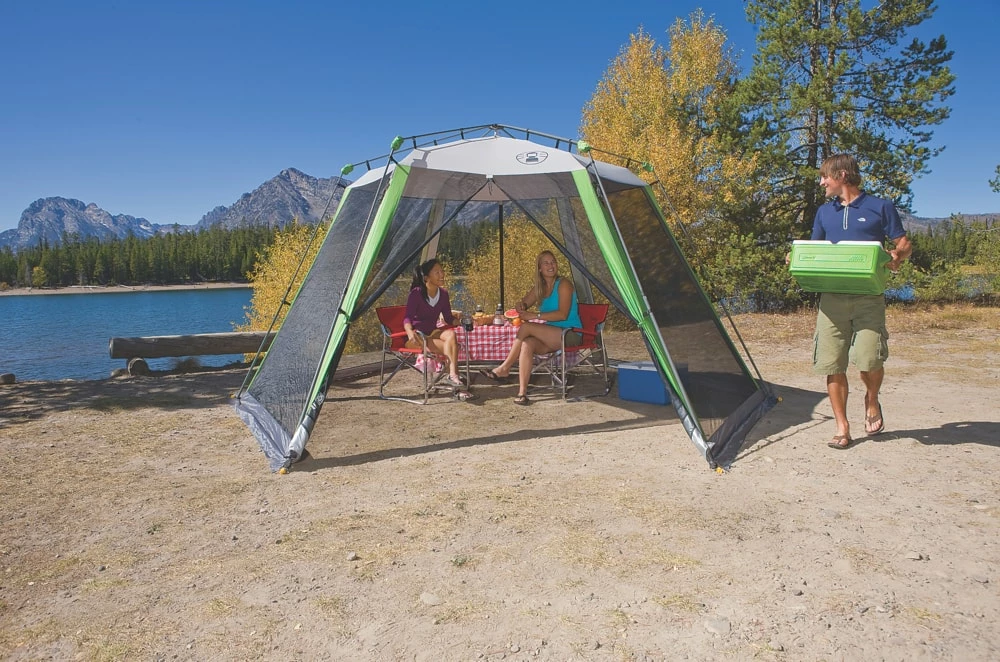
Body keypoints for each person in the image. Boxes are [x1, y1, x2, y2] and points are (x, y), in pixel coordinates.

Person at [810, 154, 912, 449]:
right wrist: (797, 259)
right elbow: (814, 250)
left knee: (869, 359)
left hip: (869, 297)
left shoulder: (880, 206)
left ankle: (872, 398)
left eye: (825, 176)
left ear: (842, 175)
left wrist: (897, 255)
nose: (822, 182)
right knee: (832, 362)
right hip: (831, 299)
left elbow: (903, 243)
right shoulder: (824, 212)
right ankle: (842, 427)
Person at [479, 250, 583, 405]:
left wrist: (535, 315)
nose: (551, 265)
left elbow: (562, 314)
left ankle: (505, 367)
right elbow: (524, 303)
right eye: (546, 263)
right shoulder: (540, 288)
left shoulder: (564, 284)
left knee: (527, 327)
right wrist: (520, 305)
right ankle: (522, 393)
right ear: (540, 268)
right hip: (551, 335)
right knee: (527, 343)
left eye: (553, 262)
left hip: (570, 333)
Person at [403, 258, 468, 392]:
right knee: (452, 347)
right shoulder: (416, 294)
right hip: (417, 337)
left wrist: (462, 322)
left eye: (442, 271)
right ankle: (454, 375)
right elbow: (407, 318)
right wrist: (410, 333)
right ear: (426, 278)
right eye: (437, 272)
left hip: (432, 332)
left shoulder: (443, 294)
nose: (442, 275)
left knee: (451, 334)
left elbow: (448, 318)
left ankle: (452, 375)